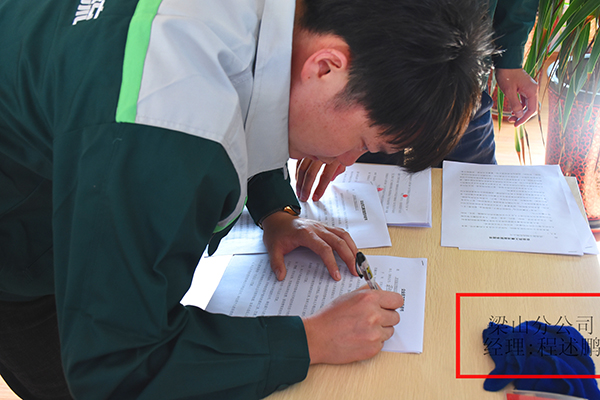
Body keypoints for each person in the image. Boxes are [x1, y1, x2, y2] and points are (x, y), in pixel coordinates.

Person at [0, 0, 494, 398]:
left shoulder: (285, 20)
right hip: (24, 251)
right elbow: (118, 364)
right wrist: (311, 340)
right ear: (326, 67)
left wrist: (276, 209)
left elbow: (255, 82)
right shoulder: (162, 130)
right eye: (363, 143)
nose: (345, 164)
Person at [295, 0, 540, 203]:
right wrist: (330, 122)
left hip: (462, 82)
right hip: (375, 83)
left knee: (478, 201)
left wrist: (510, 57)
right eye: (363, 143)